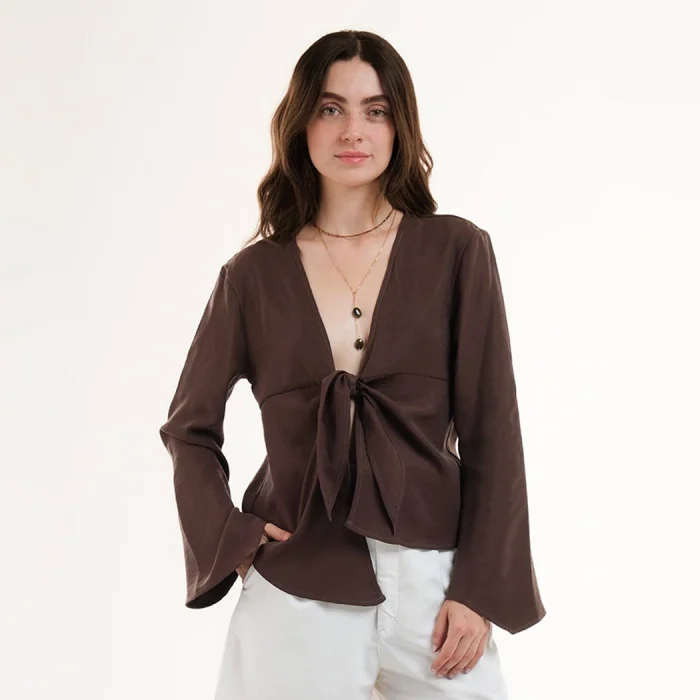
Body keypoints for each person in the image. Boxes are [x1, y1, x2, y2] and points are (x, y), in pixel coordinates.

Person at [159, 29, 546, 700]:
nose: (353, 130)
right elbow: (188, 429)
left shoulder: (457, 251)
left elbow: (493, 432)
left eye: (376, 110)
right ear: (301, 122)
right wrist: (233, 538)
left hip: (434, 587)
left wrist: (480, 588)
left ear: (400, 125)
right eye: (330, 108)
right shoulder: (252, 276)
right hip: (297, 586)